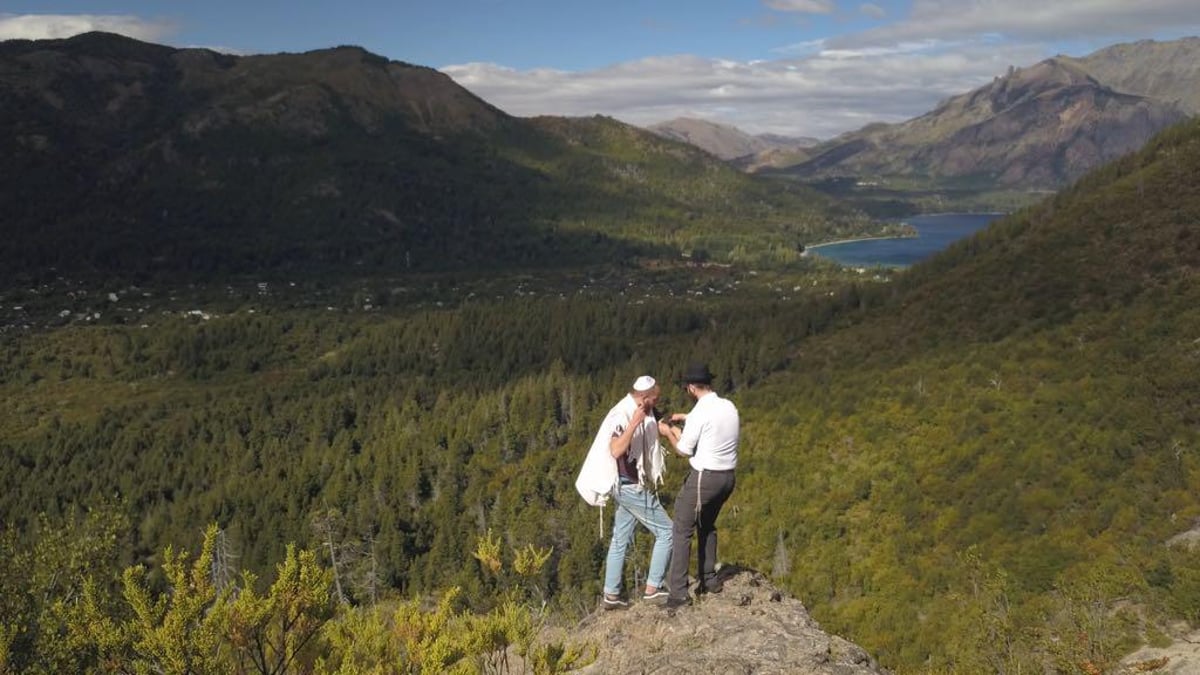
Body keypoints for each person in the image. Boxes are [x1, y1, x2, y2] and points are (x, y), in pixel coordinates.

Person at [574, 375, 672, 608]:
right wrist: (634, 424)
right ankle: (653, 588)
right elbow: (616, 450)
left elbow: (656, 421)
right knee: (668, 531)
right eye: (654, 399)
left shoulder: (640, 409)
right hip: (627, 485)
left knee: (620, 539)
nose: (656, 404)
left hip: (623, 484)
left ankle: (611, 595)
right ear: (644, 397)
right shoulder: (623, 414)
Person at [658, 362, 739, 609]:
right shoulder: (727, 405)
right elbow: (707, 422)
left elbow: (683, 450)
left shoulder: (700, 414)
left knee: (682, 529)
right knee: (707, 524)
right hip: (727, 478)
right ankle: (709, 579)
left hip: (705, 478)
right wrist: (686, 418)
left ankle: (679, 595)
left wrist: (668, 430)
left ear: (691, 388)